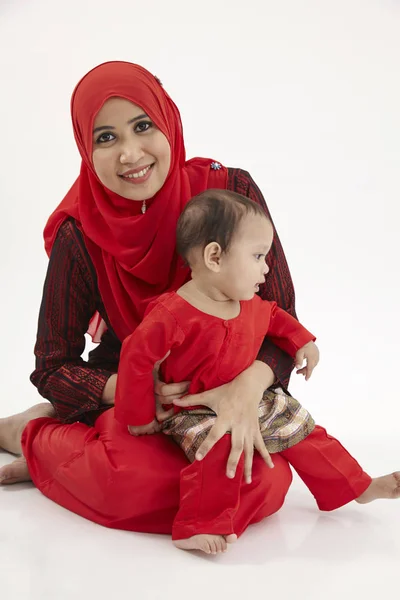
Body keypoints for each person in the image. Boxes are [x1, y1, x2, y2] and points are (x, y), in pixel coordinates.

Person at [0, 61, 398, 544]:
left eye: (143, 126)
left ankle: (65, 463)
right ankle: (34, 437)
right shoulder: (80, 233)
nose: (130, 153)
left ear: (168, 121)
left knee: (265, 483)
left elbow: (278, 315)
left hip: (230, 390)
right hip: (137, 398)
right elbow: (52, 366)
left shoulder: (228, 196)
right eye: (106, 138)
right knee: (131, 484)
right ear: (86, 148)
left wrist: (247, 389)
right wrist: (131, 387)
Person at [114, 189, 399, 555]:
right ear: (215, 257)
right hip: (193, 410)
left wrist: (303, 343)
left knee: (306, 431)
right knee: (218, 450)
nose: (266, 268)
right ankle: (195, 525)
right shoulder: (173, 314)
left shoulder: (248, 303)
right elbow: (135, 356)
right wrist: (138, 416)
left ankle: (357, 487)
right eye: (258, 256)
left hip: (254, 401)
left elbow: (278, 319)